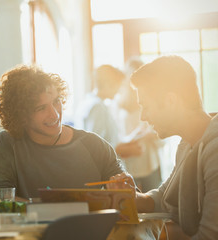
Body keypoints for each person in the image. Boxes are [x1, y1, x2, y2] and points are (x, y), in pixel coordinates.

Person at [109, 55, 218, 239]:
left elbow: (210, 234)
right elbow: (167, 196)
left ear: (171, 101)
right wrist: (134, 198)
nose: (143, 117)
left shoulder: (214, 150)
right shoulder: (187, 144)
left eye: (146, 106)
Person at [0, 65, 125, 199]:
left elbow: (128, 196)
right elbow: (2, 198)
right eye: (41, 108)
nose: (54, 114)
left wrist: (125, 186)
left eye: (56, 101)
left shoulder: (94, 145)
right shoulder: (7, 143)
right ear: (21, 114)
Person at [114, 58, 163, 192]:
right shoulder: (118, 103)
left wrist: (151, 136)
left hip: (150, 164)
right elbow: (114, 139)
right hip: (129, 165)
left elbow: (164, 134)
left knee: (153, 202)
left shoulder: (152, 99)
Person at [75, 65, 125, 147]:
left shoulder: (87, 102)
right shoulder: (97, 107)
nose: (118, 91)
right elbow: (96, 146)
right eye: (118, 85)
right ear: (108, 84)